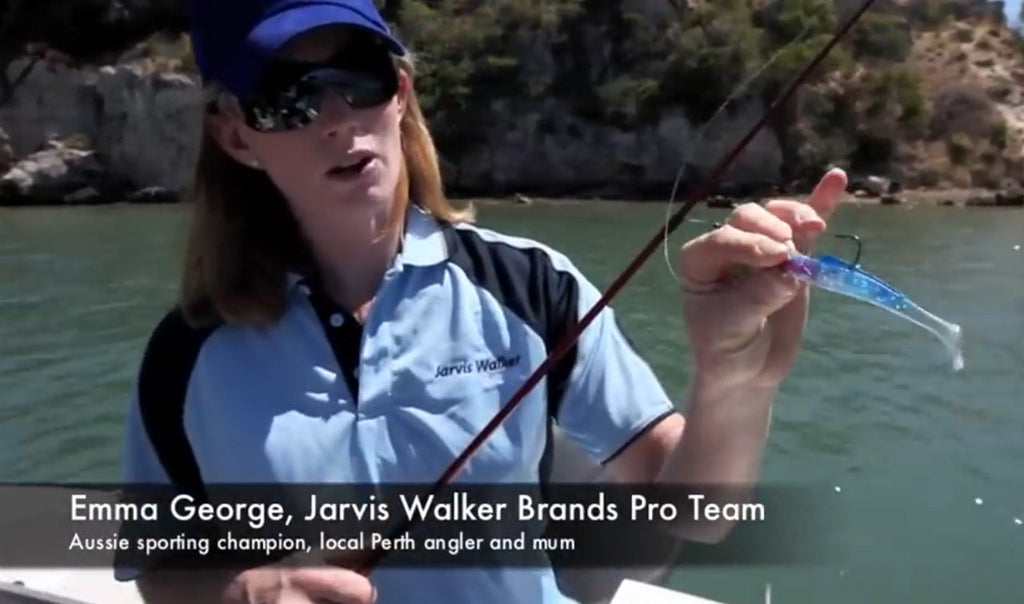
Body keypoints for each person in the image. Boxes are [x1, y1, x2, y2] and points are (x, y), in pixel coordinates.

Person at [112, 0, 847, 602]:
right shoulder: (185, 353)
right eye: (285, 99)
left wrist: (733, 381)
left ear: (398, 93)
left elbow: (697, 519)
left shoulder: (533, 287)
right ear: (236, 137)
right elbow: (157, 571)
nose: (335, 117)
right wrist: (242, 591)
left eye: (359, 77)